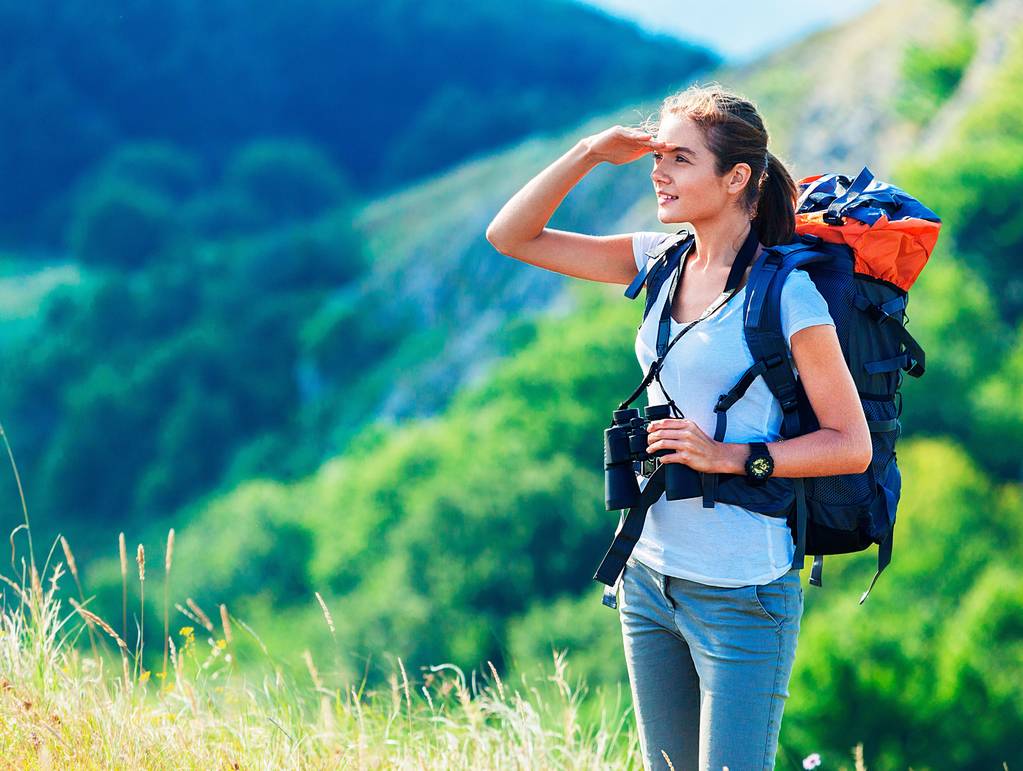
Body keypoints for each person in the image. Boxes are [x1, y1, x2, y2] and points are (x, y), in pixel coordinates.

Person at [485, 83, 871, 770]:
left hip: (741, 591)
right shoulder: (659, 260)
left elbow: (850, 443)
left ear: (735, 178)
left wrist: (728, 455)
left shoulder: (788, 293)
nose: (658, 172)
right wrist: (586, 153)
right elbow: (510, 236)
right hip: (648, 577)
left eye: (679, 159)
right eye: (656, 156)